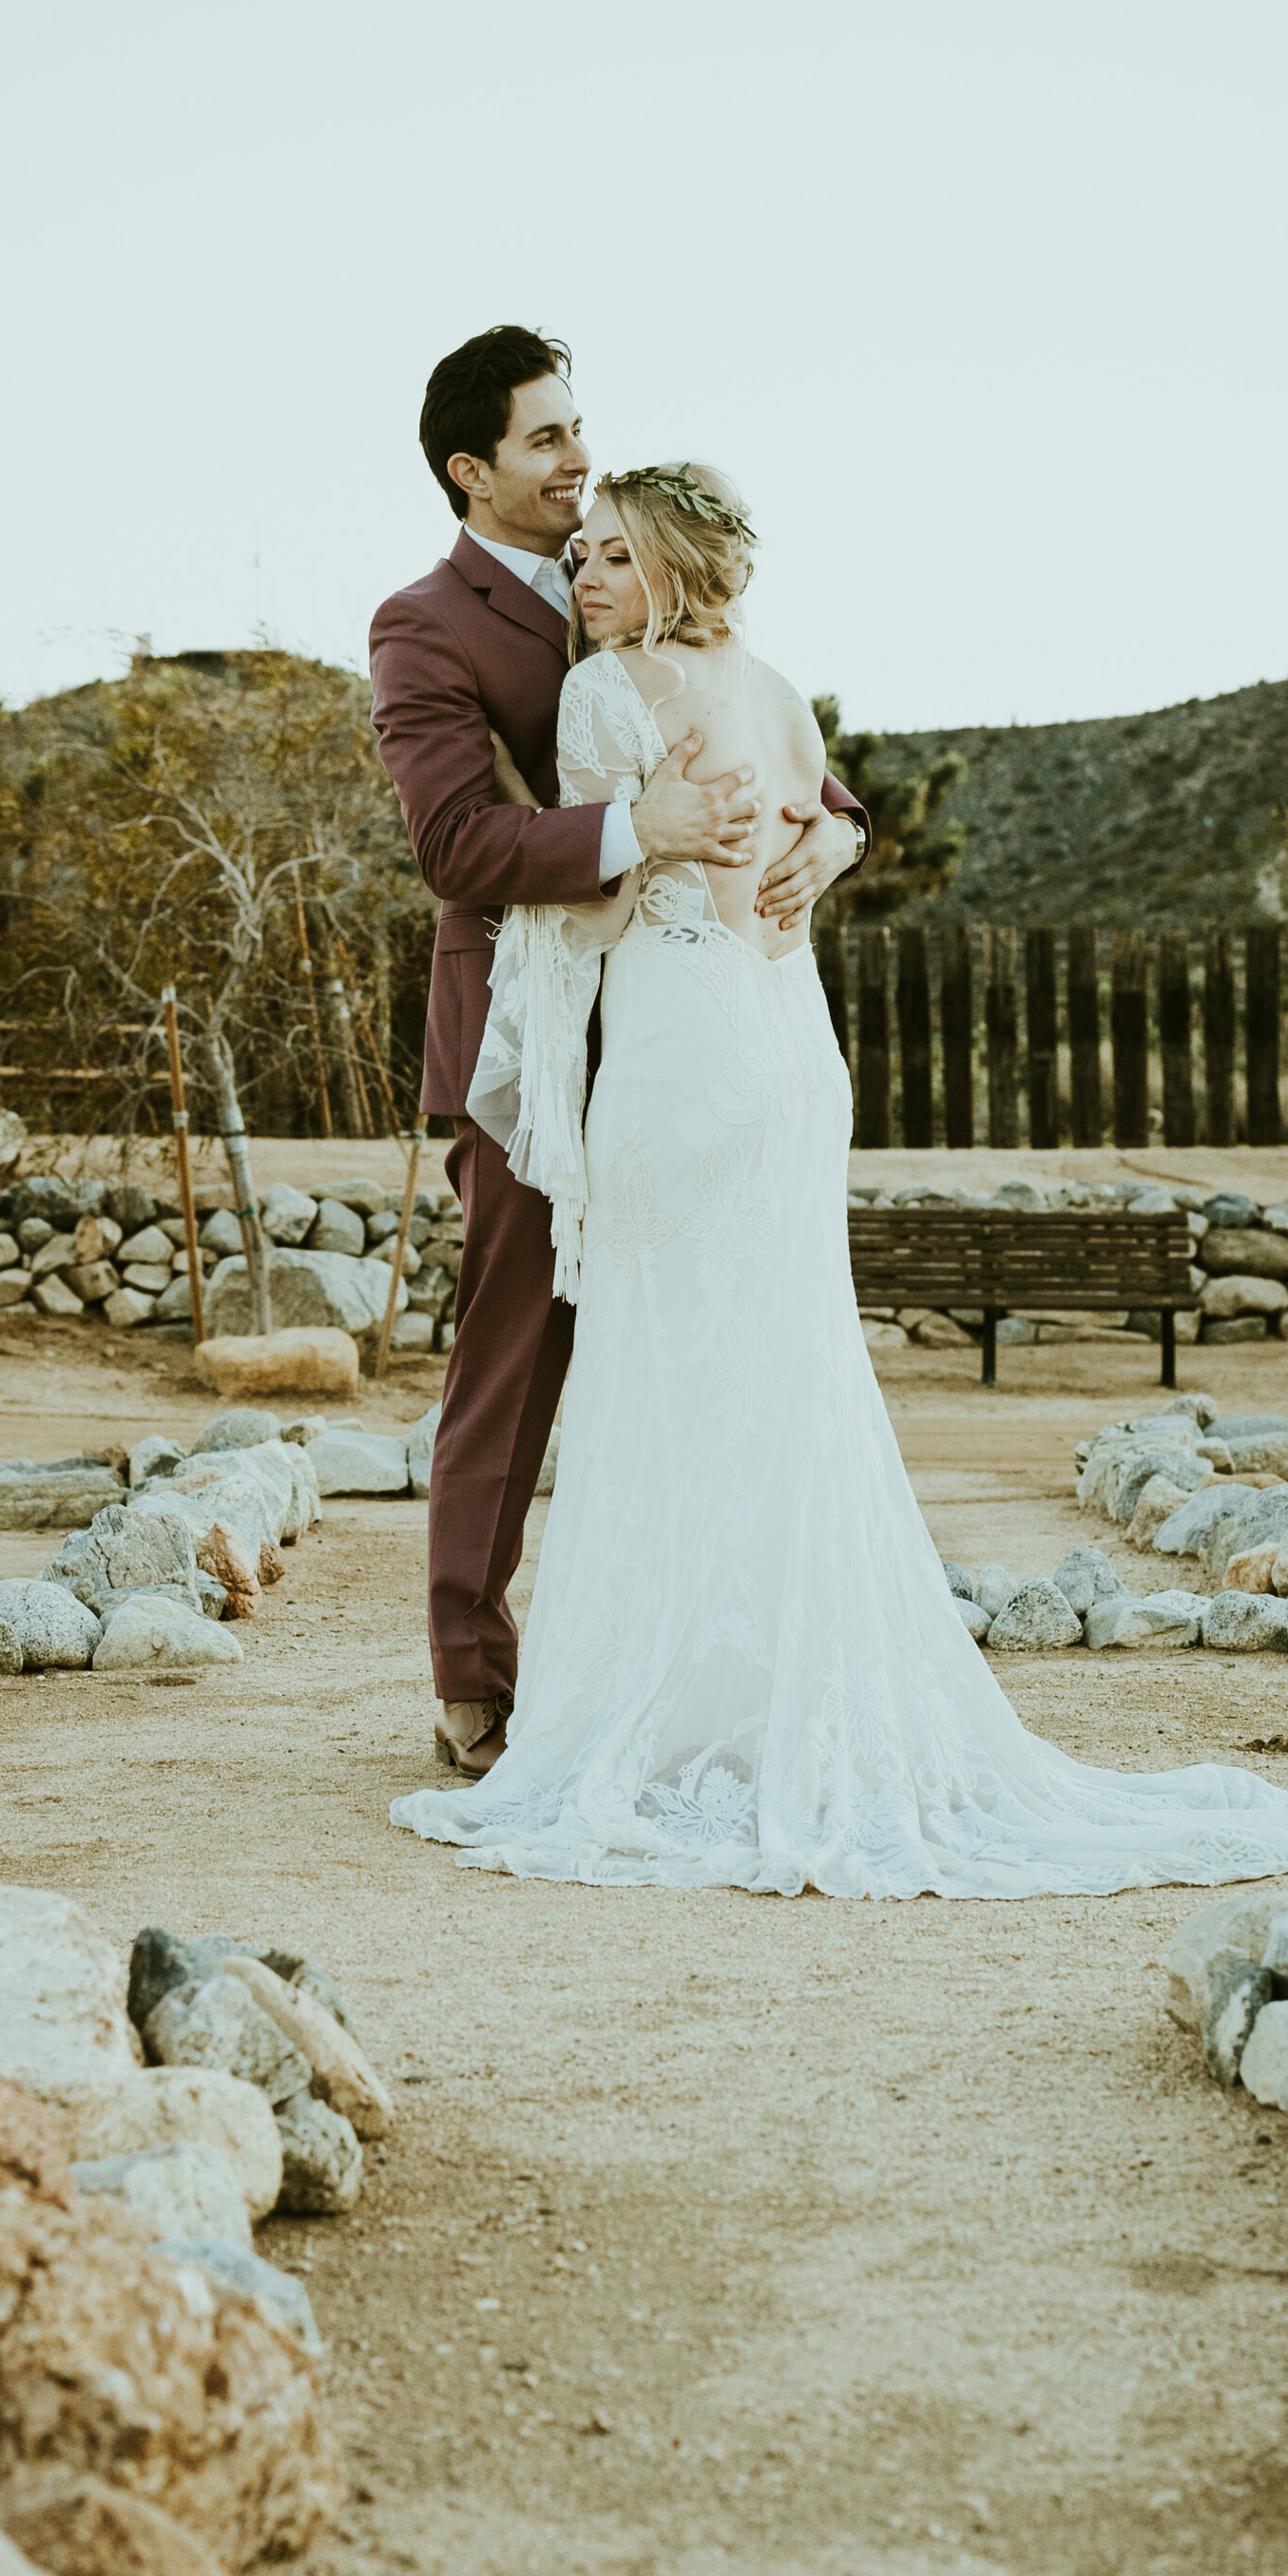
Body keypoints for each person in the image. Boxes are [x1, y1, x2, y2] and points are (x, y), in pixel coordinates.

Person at [390, 461, 1288, 1898]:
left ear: (664, 567)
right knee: (782, 1378)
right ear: (477, 462)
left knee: (660, 1375)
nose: (585, 566)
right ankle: (781, 1695)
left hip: (680, 1053)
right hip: (790, 1053)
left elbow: (596, 903)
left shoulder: (607, 691)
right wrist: (800, 844)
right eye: (575, 539)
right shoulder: (765, 686)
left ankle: (654, 1719)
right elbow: (788, 811)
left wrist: (628, 889)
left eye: (611, 553)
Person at [371, 327, 868, 1775]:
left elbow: (804, 775)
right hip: (534, 1038)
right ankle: (475, 1673)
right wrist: (629, 831)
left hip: (684, 1030)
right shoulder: (425, 623)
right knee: (514, 1357)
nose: (577, 458)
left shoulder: (649, 573)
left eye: (580, 428)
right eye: (545, 438)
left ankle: (689, 1667)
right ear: (471, 471)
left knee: (700, 1342)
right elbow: (454, 841)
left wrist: (832, 842)